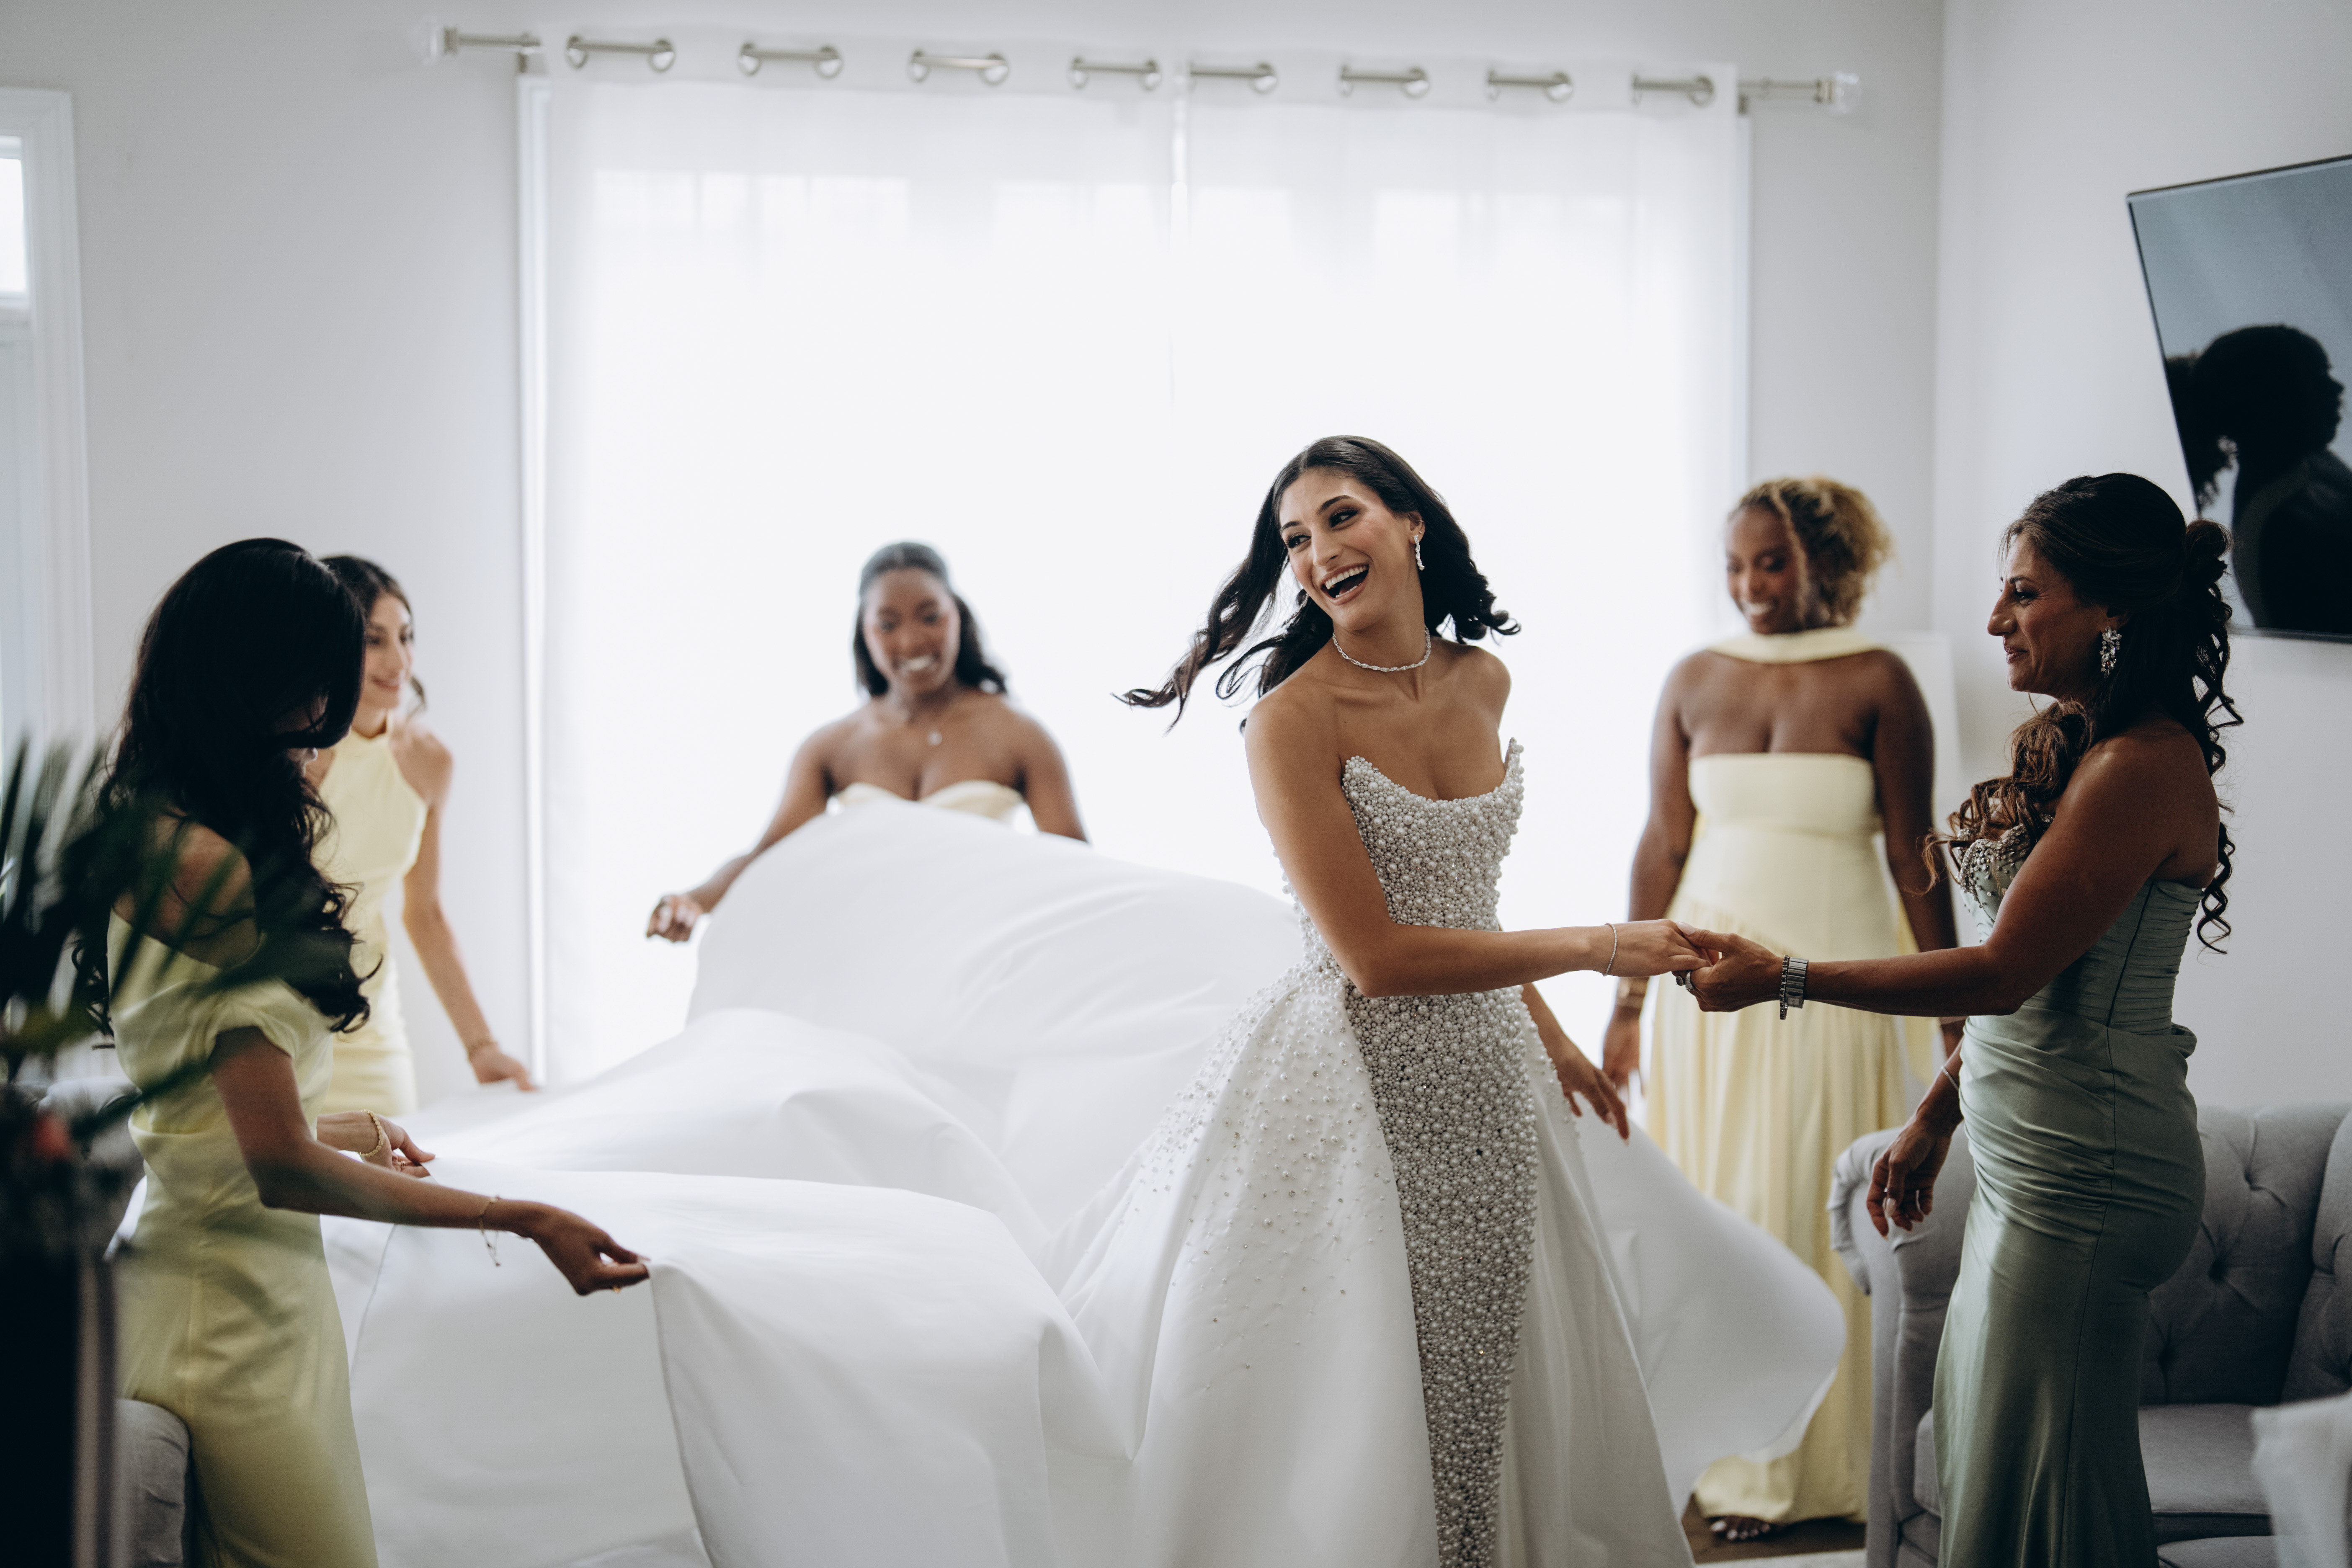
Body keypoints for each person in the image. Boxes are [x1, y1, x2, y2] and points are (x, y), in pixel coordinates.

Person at [313, 440, 1847, 1568]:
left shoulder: (1484, 686)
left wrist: (1553, 1028)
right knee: (1367, 1370)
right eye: (1293, 534)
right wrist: (1598, 950)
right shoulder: (1286, 717)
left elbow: (1463, 897)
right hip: (1357, 1064)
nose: (1317, 548)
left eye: (1340, 516)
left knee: (1495, 1347)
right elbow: (1379, 955)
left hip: (1488, 1068)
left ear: (1412, 523)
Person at [1683, 474, 2235, 1567]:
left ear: (2112, 609)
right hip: (2035, 1163)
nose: (1994, 620)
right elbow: (2045, 979)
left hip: (2089, 1173)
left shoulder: (2141, 768)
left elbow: (2001, 973)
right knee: (1999, 1463)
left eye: (2024, 594)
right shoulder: (2085, 745)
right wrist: (1939, 1114)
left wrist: (1782, 977)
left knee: (2046, 1494)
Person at [84, 539, 647, 1568]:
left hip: (184, 1274)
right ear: (256, 674)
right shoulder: (211, 865)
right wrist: (522, 1217)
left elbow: (196, 1107)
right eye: (321, 672)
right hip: (232, 1314)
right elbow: (276, 1163)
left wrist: (345, 1124)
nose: (327, 706)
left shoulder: (146, 824)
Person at [1607, 477, 1961, 1540]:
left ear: (1827, 562)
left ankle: (1824, 1476)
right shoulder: (1693, 678)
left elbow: (1914, 855)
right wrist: (1627, 1002)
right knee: (1719, 1210)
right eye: (1734, 565)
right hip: (1706, 998)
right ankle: (1720, 1464)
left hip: (1827, 988)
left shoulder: (1880, 678)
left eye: (1772, 562)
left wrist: (1954, 1002)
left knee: (1817, 1208)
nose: (1750, 585)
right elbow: (1662, 843)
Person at [648, 541, 1084, 943]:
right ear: (864, 631)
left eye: (930, 617)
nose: (911, 640)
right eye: (888, 624)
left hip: (982, 948)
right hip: (868, 956)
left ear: (958, 615)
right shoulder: (833, 747)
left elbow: (1078, 871)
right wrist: (694, 901)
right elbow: (766, 855)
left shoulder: (1020, 736)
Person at [305, 554, 534, 1114]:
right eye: (374, 640)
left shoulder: (431, 762)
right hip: (281, 1028)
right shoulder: (295, 760)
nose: (399, 660)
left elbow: (425, 914)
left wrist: (482, 1047)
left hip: (374, 1029)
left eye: (406, 637)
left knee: (402, 1166)